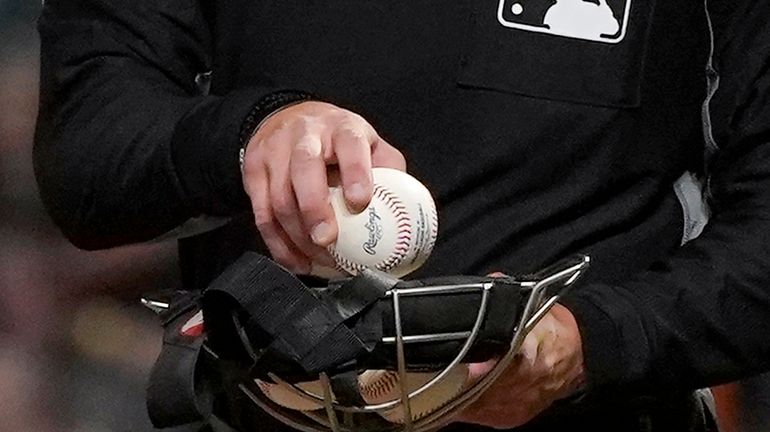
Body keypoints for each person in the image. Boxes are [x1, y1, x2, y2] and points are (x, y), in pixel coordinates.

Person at [33, 0, 770, 431]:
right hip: (265, 408)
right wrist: (249, 134)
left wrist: (585, 341)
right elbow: (88, 146)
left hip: (600, 416)